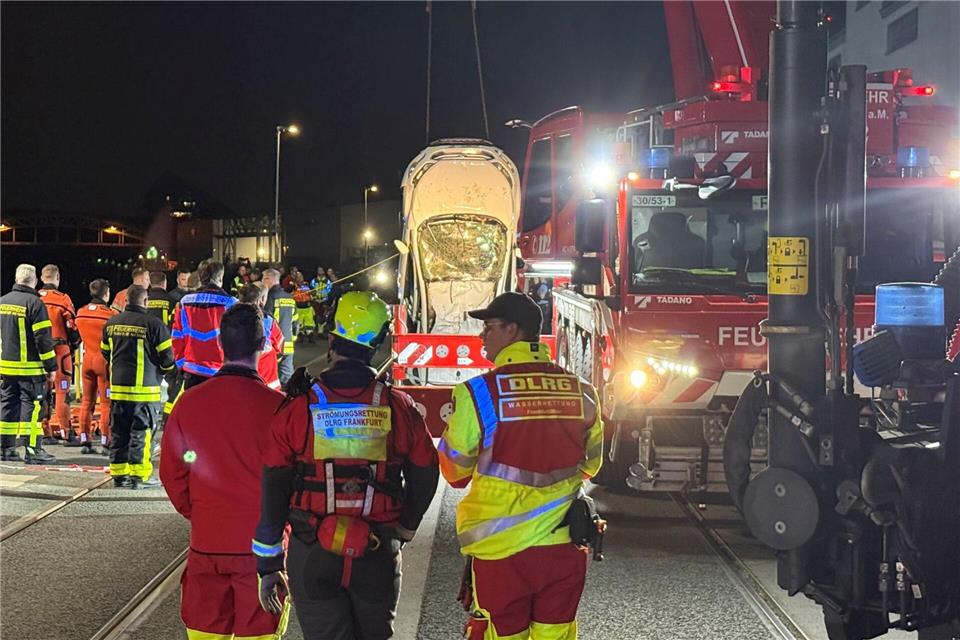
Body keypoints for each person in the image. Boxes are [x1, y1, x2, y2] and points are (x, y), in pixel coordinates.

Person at [254, 291, 439, 640]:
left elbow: (273, 485)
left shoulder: (298, 409)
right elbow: (426, 472)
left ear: (331, 336)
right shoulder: (400, 408)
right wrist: (404, 529)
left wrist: (268, 564)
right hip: (376, 550)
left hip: (313, 552)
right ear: (380, 342)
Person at [438, 291, 604, 640]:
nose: (482, 336)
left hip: (501, 550)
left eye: (489, 327)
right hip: (563, 546)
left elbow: (454, 473)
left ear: (512, 331)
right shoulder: (581, 391)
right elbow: (591, 465)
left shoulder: (477, 393)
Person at [161, 303, 290, 639]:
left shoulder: (187, 404)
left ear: (220, 343)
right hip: (262, 552)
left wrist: (203, 513)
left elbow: (172, 474)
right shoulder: (279, 408)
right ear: (263, 345)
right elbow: (298, 480)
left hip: (207, 544)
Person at [101, 285, 174, 488]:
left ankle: (119, 474)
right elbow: (168, 359)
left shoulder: (111, 323)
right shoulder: (154, 325)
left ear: (125, 302)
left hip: (118, 389)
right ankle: (139, 475)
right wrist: (162, 372)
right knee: (142, 432)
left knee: (119, 431)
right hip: (145, 391)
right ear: (145, 302)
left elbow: (105, 352)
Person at [0, 264, 58, 463]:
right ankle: (33, 450)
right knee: (32, 408)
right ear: (34, 281)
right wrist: (51, 367)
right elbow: (43, 339)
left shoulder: (2, 302)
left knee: (7, 405)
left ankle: (5, 449)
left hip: (5, 368)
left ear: (17, 279)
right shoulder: (34, 304)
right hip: (30, 369)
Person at [171, 260, 235, 391]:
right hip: (221, 371)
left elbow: (177, 337)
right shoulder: (232, 304)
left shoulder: (185, 302)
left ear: (200, 278)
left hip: (192, 371)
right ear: (221, 278)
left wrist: (182, 365)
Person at [37, 264, 80, 443]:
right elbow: (73, 328)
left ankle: (43, 432)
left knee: (42, 393)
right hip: (60, 351)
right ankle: (66, 431)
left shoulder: (34, 298)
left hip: (38, 350)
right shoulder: (63, 299)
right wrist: (75, 345)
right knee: (62, 392)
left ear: (41, 278)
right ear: (57, 278)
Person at [75, 279, 117, 454]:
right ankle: (106, 442)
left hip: (87, 361)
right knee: (106, 404)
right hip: (104, 363)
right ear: (106, 294)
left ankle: (85, 440)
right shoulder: (110, 315)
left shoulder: (81, 312)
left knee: (86, 402)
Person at [238, 283, 284, 390]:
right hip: (267, 380)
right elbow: (280, 345)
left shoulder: (229, 318)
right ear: (260, 300)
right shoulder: (268, 321)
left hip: (241, 378)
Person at [263, 268, 296, 385]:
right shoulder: (289, 297)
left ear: (268, 279)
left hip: (274, 343)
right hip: (288, 342)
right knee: (287, 376)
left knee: (270, 378)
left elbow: (266, 320)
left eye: (263, 279)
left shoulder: (269, 297)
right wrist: (293, 337)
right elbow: (295, 321)